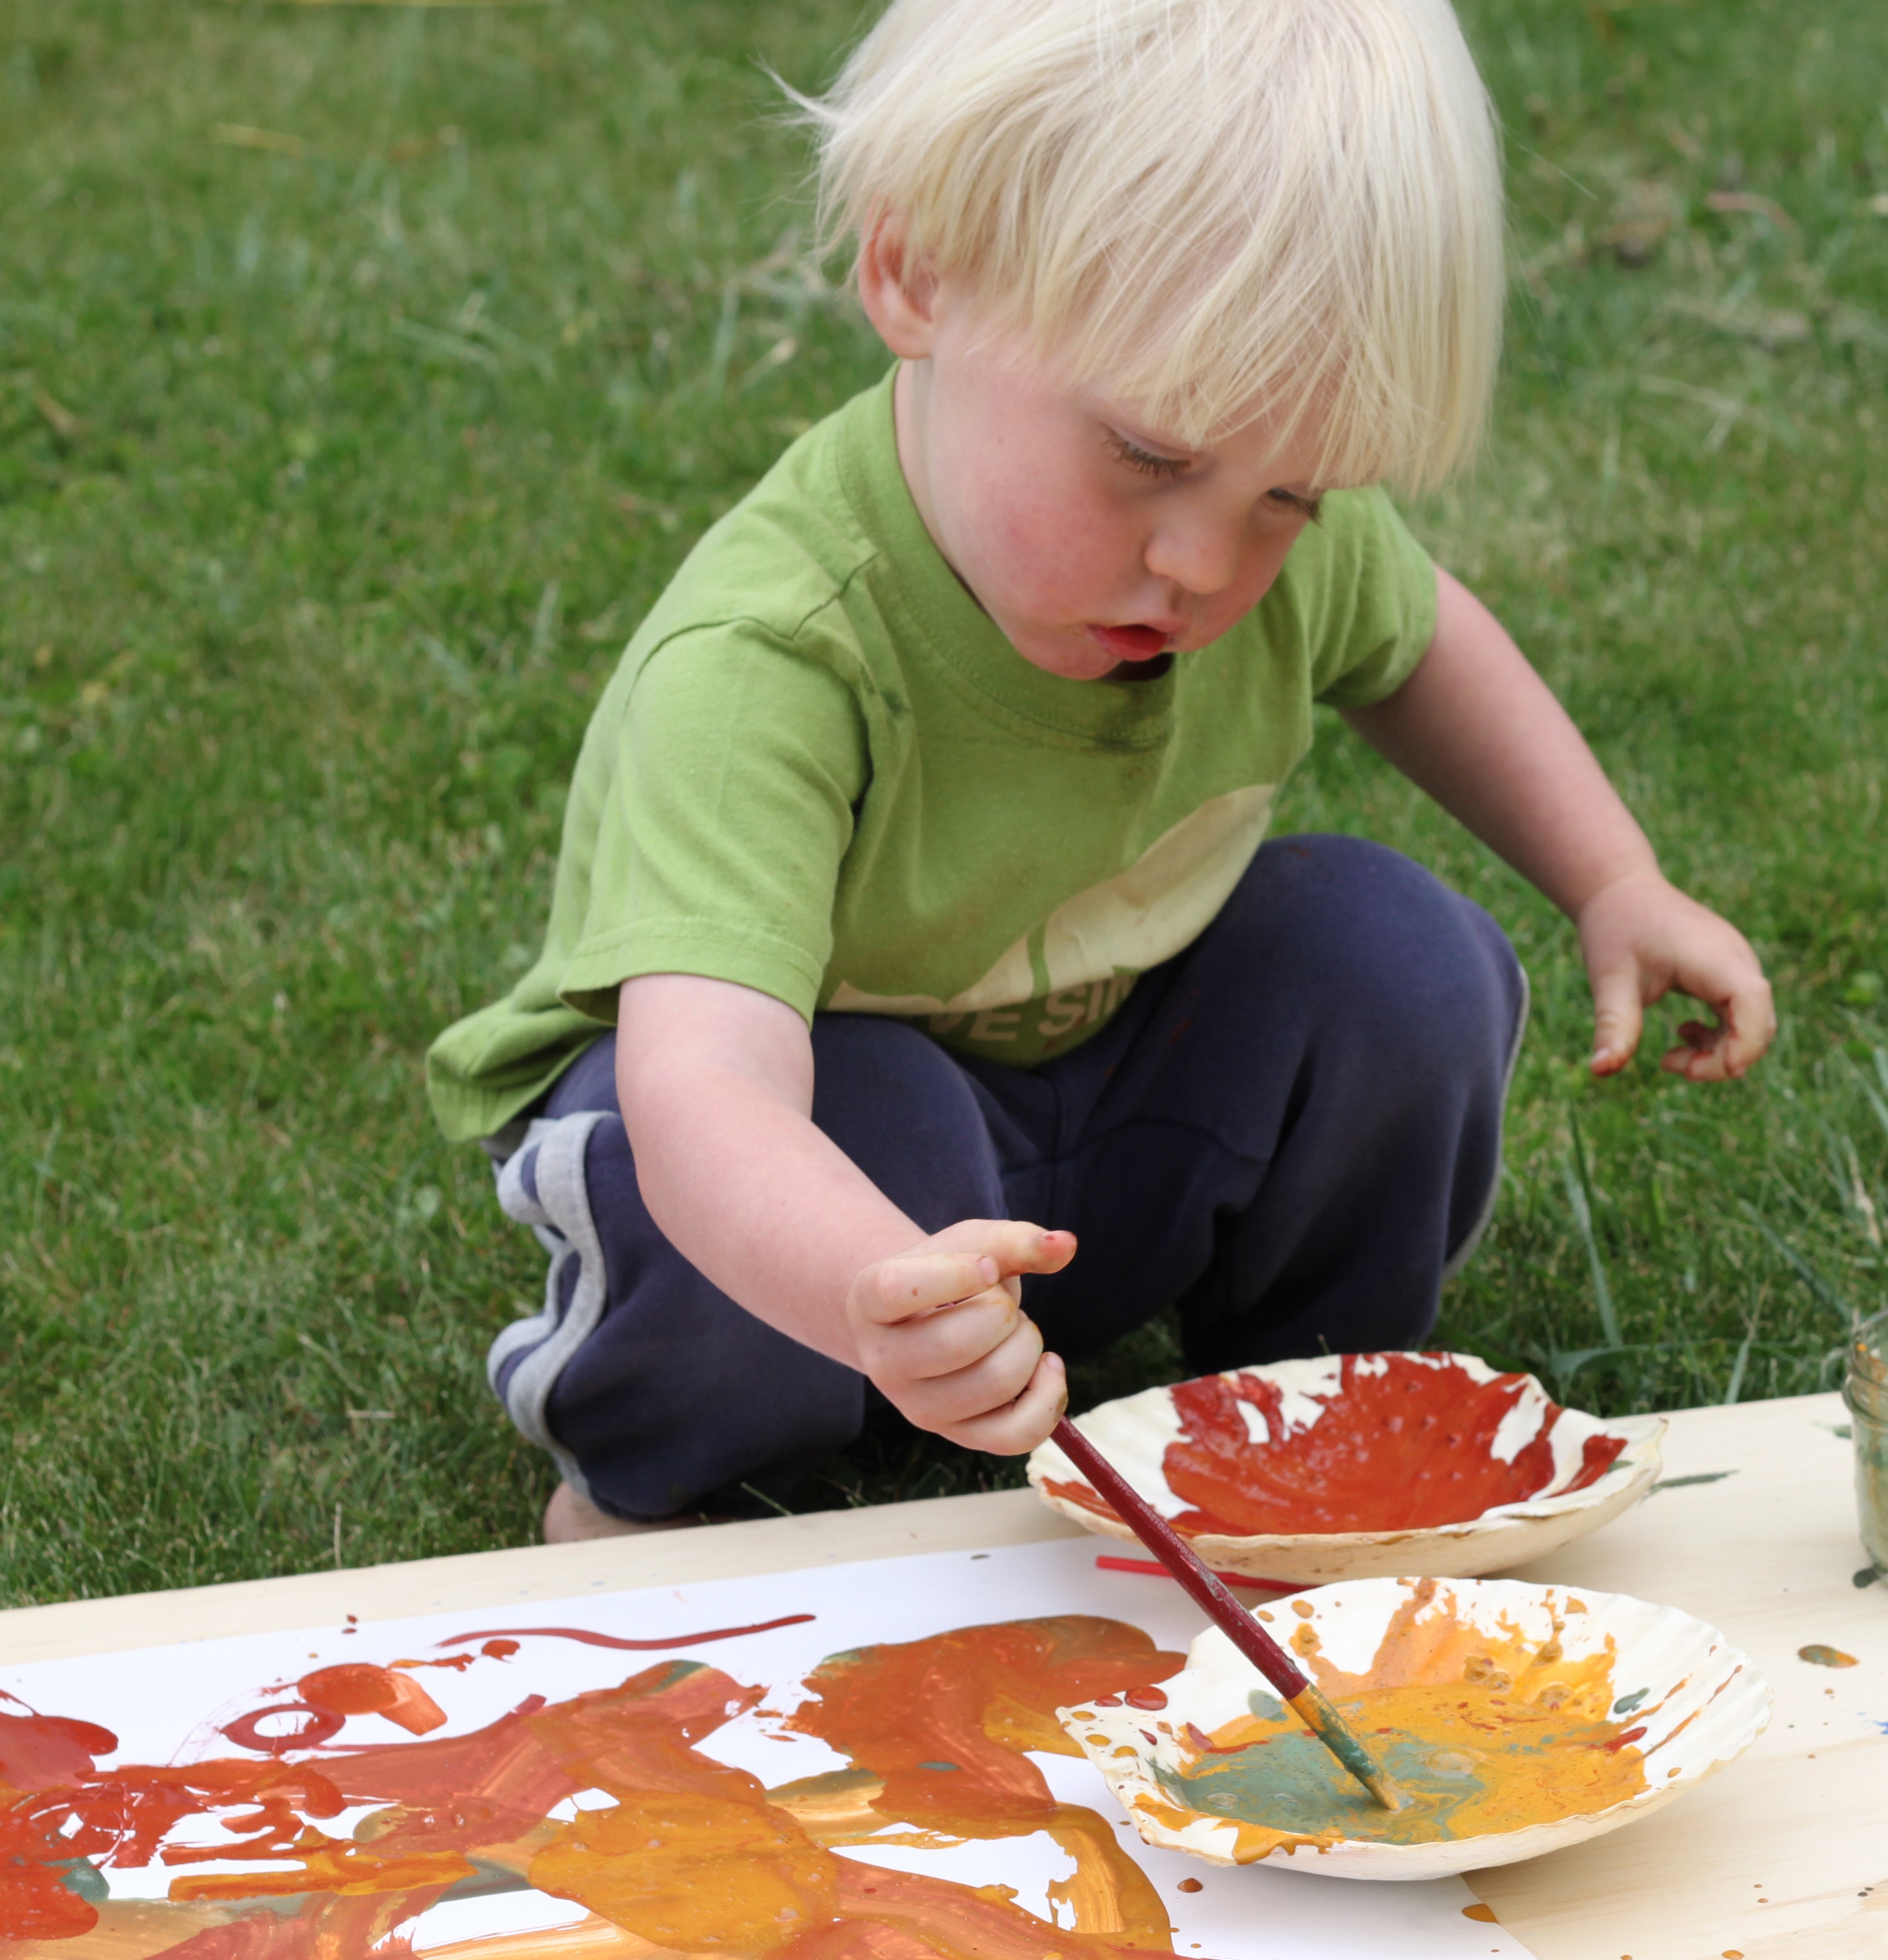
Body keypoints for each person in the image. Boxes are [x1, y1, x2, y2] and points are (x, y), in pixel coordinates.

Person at [427, 0, 1774, 1542]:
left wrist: (1611, 878)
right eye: (1144, 454)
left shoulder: (1273, 545)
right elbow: (705, 1093)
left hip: (1093, 1135)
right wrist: (870, 1287)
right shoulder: (774, 658)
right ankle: (651, 1497)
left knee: (1401, 958)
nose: (1207, 559)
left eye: (1291, 492)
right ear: (915, 274)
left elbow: (1423, 643)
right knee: (878, 1124)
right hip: (795, 1184)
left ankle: (1310, 1418)